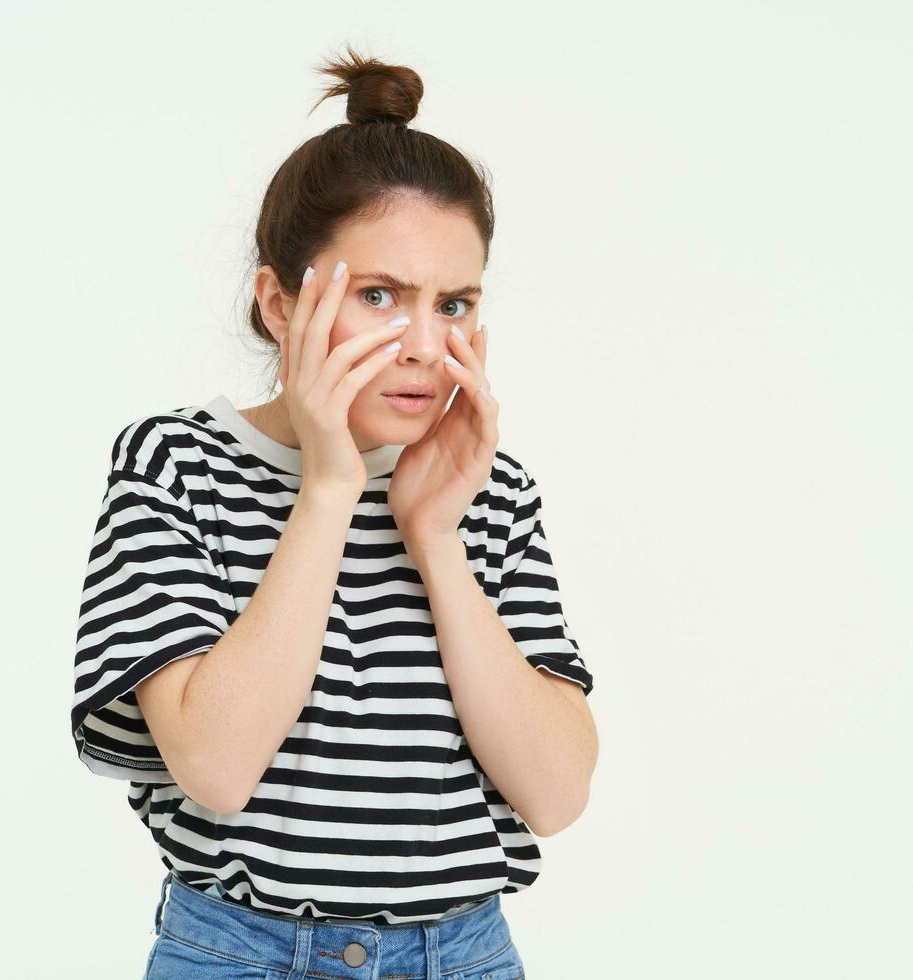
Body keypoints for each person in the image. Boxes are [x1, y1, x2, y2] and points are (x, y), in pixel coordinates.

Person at [70, 46, 596, 979]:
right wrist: (328, 488)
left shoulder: (490, 488)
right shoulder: (175, 464)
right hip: (240, 953)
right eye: (379, 296)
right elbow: (219, 769)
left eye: (456, 303)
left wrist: (436, 535)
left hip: (461, 955)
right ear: (280, 303)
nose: (427, 348)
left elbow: (555, 793)